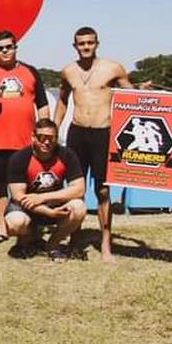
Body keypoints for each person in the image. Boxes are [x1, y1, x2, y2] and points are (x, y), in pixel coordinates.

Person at [54, 26, 147, 262]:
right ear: (74, 46)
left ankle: (106, 244)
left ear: (97, 43)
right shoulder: (68, 71)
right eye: (81, 43)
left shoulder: (112, 68)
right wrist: (54, 128)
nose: (86, 47)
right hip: (77, 133)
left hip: (103, 133)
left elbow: (132, 96)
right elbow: (63, 101)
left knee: (103, 190)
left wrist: (145, 92)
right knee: (76, 189)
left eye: (90, 43)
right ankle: (74, 239)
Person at [0, 30, 50, 243]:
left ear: (16, 48)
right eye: (1, 48)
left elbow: (42, 106)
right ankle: (1, 227)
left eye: (9, 47)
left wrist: (45, 135)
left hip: (26, 143)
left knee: (27, 187)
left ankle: (30, 227)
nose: (5, 51)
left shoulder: (31, 72)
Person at [5, 119, 87, 261]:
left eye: (51, 138)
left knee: (79, 208)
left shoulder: (67, 155)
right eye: (42, 137)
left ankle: (52, 244)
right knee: (15, 222)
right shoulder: (19, 158)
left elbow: (79, 189)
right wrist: (48, 211)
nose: (47, 142)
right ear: (33, 137)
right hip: (27, 207)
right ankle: (27, 240)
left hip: (53, 204)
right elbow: (18, 196)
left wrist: (43, 198)